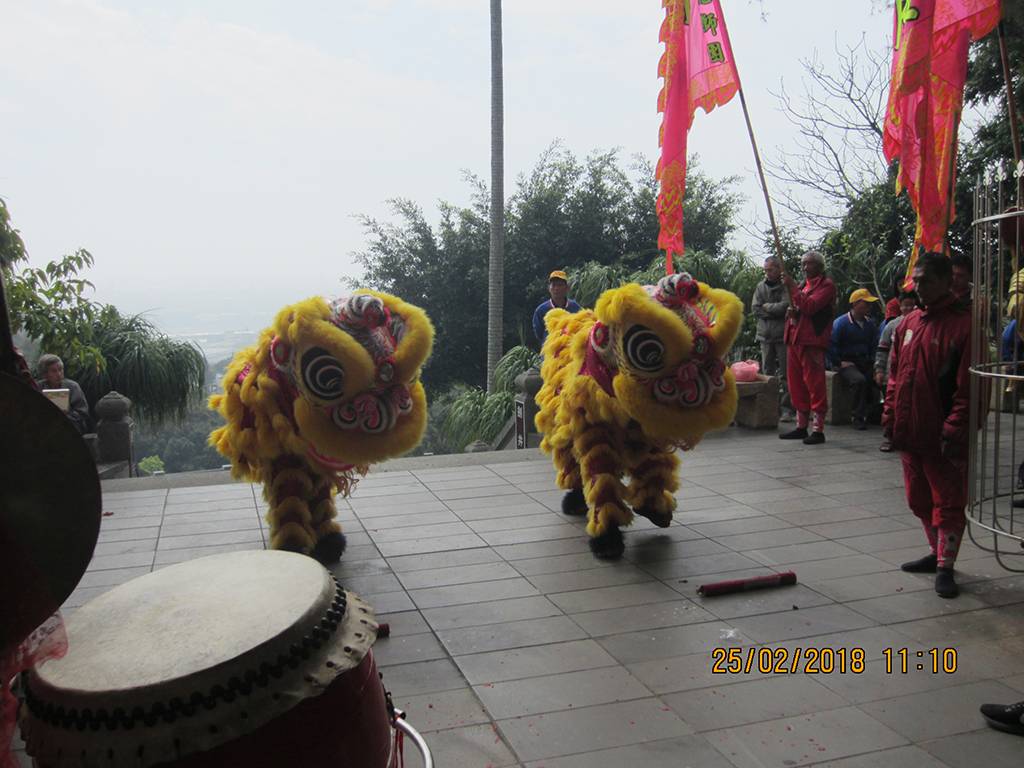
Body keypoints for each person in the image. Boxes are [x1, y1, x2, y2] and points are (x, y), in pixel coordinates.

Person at [884, 253, 972, 598]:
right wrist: (890, 415)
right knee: (917, 498)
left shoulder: (964, 326)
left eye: (926, 281)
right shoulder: (908, 323)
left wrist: (955, 427)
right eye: (916, 281)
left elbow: (969, 387)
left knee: (947, 500)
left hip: (943, 433)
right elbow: (895, 375)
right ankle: (936, 553)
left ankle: (946, 565)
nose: (918, 287)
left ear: (946, 281)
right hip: (910, 428)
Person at [780, 250, 836, 445]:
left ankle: (818, 430)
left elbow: (811, 306)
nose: (805, 267)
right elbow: (801, 308)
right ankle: (801, 426)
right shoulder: (803, 285)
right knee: (796, 384)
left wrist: (792, 287)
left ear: (819, 266)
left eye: (809, 263)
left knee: (815, 384)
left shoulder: (827, 286)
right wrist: (792, 312)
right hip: (795, 339)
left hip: (812, 340)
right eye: (803, 263)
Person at [829, 288, 880, 430]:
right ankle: (857, 416)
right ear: (855, 304)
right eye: (866, 303)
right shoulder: (841, 323)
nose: (869, 307)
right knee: (859, 380)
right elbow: (831, 345)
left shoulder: (870, 324)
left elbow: (874, 345)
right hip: (846, 362)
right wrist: (838, 362)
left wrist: (875, 364)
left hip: (865, 361)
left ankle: (874, 413)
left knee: (877, 379)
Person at [751, 256, 795, 421]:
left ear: (778, 269)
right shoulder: (760, 286)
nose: (767, 273)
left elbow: (786, 306)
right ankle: (770, 408)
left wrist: (767, 307)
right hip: (765, 335)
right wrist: (774, 311)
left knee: (785, 374)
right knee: (767, 373)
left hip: (783, 335)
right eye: (766, 270)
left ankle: (786, 409)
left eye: (770, 270)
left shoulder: (786, 286)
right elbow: (755, 309)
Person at [876, 291, 918, 452]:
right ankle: (889, 436)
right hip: (892, 372)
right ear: (900, 306)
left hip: (913, 373)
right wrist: (879, 369)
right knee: (891, 405)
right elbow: (882, 349)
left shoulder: (920, 323)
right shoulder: (892, 325)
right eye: (905, 305)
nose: (908, 308)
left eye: (911, 305)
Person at [35, 353, 91, 435]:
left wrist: (66, 415)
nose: (59, 374)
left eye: (60, 369)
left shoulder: (73, 387)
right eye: (54, 371)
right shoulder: (38, 387)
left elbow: (83, 412)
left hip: (70, 428)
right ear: (45, 374)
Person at [533, 270, 582, 345]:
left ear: (567, 288)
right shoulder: (541, 310)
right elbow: (539, 333)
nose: (556, 288)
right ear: (549, 288)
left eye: (560, 285)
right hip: (550, 349)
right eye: (553, 285)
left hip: (570, 348)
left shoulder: (575, 307)